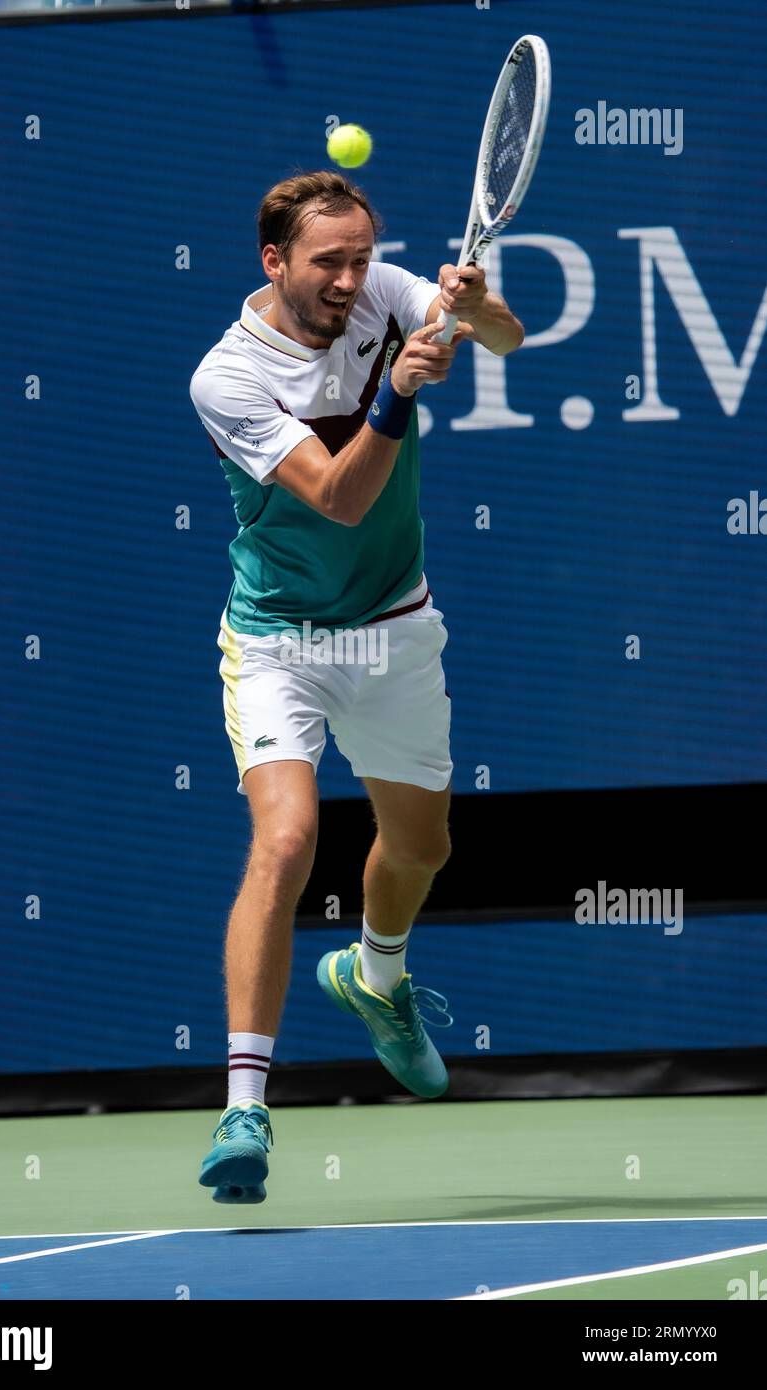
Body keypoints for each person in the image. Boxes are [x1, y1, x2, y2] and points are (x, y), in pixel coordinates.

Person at [189, 170, 523, 1203]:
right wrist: (395, 393)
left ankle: (375, 976)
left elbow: (505, 341)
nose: (347, 279)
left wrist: (474, 309)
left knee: (420, 847)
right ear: (273, 261)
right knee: (285, 839)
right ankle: (244, 1102)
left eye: (360, 257)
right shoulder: (227, 378)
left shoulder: (382, 292)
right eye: (324, 262)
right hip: (279, 639)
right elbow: (336, 498)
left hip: (393, 629)